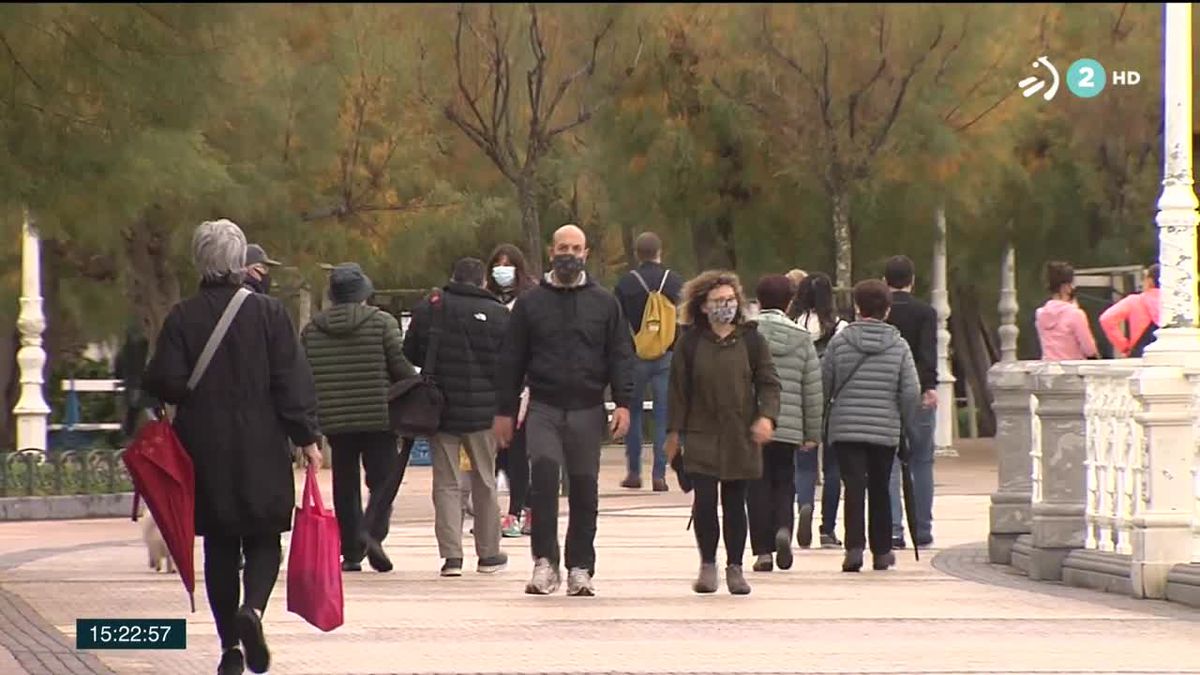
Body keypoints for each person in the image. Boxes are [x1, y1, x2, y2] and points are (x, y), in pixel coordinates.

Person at [143, 219, 322, 675]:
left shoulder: (183, 318)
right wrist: (306, 436)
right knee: (264, 538)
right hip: (263, 445)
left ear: (199, 261)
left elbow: (164, 380)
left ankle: (229, 649)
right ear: (241, 262)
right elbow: (291, 383)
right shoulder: (270, 315)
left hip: (204, 448)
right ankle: (254, 612)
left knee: (220, 546)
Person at [493, 224, 634, 597]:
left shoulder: (605, 303)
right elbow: (511, 359)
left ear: (586, 253)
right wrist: (504, 411)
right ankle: (545, 563)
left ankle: (580, 567)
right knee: (542, 477)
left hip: (588, 408)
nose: (569, 254)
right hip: (543, 406)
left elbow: (621, 355)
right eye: (562, 248)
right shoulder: (530, 304)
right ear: (551, 252)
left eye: (576, 247)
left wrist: (624, 403)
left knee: (584, 488)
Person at [665, 270, 781, 595]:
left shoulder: (752, 341)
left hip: (739, 434)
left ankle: (735, 566)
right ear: (703, 306)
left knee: (734, 502)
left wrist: (766, 417)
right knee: (704, 501)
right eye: (718, 301)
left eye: (730, 300)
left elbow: (769, 383)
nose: (725, 306)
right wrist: (673, 433)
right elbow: (677, 392)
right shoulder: (689, 344)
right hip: (701, 434)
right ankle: (707, 564)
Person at [302, 263, 415, 574]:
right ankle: (373, 531)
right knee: (383, 479)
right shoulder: (382, 323)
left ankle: (351, 551)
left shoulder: (312, 331)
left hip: (336, 420)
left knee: (345, 483)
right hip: (380, 417)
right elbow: (401, 368)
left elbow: (305, 378)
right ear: (364, 293)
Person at [405, 257, 511, 577]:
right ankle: (489, 552)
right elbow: (509, 363)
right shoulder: (498, 314)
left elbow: (410, 352)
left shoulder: (430, 308)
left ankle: (452, 556)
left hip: (442, 408)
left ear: (453, 277)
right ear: (482, 282)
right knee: (485, 480)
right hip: (483, 411)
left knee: (447, 482)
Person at [822, 279, 919, 574]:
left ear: (856, 307)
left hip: (846, 428)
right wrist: (902, 418)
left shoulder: (839, 343)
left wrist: (825, 416)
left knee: (853, 486)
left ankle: (853, 549)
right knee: (879, 486)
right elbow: (911, 391)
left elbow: (825, 383)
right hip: (884, 428)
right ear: (887, 310)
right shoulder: (899, 346)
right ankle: (881, 550)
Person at [746, 275, 822, 572]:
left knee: (756, 484)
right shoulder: (802, 338)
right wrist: (812, 431)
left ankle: (762, 551)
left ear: (759, 300)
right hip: (789, 424)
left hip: (754, 423)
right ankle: (783, 529)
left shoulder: (747, 334)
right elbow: (812, 387)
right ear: (789, 301)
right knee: (784, 480)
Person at [614, 232, 685, 492]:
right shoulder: (675, 281)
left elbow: (617, 322)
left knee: (631, 413)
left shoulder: (626, 283)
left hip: (635, 355)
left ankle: (633, 471)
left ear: (636, 253)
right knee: (663, 414)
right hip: (667, 354)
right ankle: (659, 474)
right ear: (660, 251)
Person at [882, 255, 938, 549]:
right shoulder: (926, 312)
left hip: (887, 392)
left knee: (890, 462)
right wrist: (930, 386)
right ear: (912, 281)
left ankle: (893, 529)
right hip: (918, 391)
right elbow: (928, 353)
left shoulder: (882, 311)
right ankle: (923, 528)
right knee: (922, 460)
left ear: (884, 282)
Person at [789, 271, 847, 549]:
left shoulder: (792, 326)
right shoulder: (841, 328)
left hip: (801, 401)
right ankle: (828, 528)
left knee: (804, 464)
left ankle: (804, 503)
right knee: (834, 468)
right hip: (833, 402)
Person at [486, 243, 538, 538]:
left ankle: (517, 510)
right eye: (498, 263)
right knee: (500, 455)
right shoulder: (486, 300)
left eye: (508, 264)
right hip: (494, 385)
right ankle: (519, 506)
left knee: (518, 450)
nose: (502, 269)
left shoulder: (529, 300)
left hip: (523, 387)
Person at [1035, 261, 1099, 361]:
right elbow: (1089, 350)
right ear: (1066, 286)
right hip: (1073, 370)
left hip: (1049, 369)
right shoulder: (1076, 314)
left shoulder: (1040, 314)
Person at [1100, 264, 1161, 358]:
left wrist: (1124, 347)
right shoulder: (1177, 304)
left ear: (1150, 281)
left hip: (1141, 357)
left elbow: (1106, 319)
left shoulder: (1135, 301)